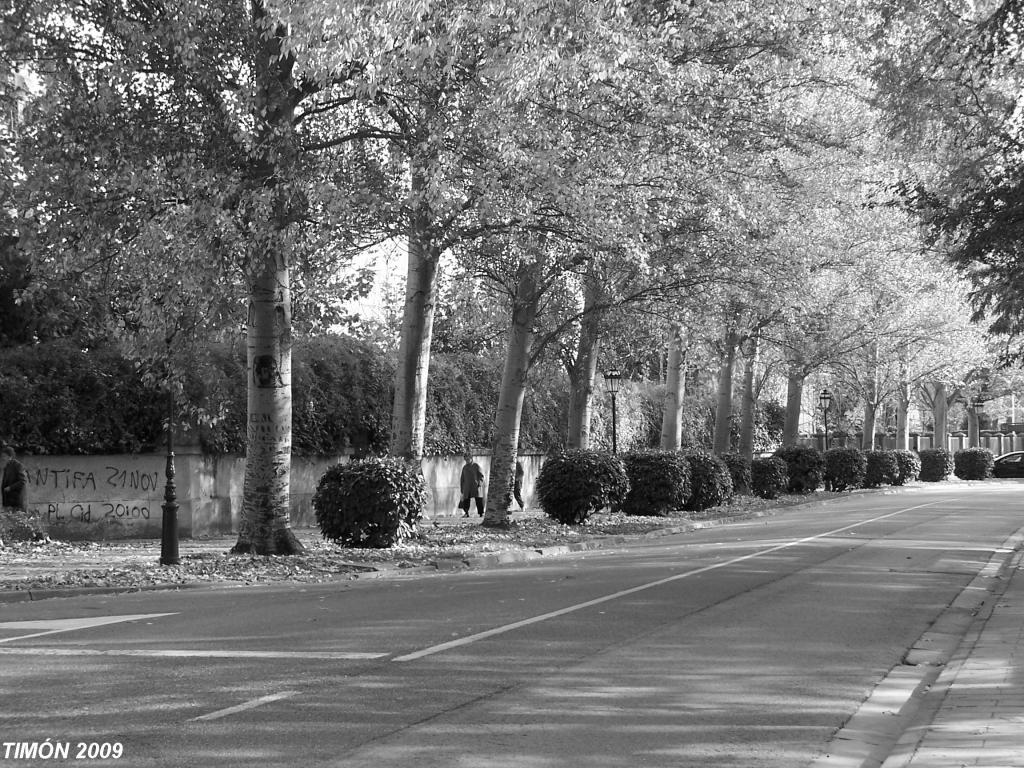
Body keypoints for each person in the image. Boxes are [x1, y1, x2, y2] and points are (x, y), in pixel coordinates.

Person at [0, 445, 28, 512]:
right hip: (8, 500)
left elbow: (23, 481)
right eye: (2, 456)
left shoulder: (18, 465)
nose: (2, 458)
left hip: (16, 501)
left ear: (10, 457)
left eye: (4, 456)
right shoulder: (7, 466)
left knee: (17, 519)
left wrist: (10, 487)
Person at [458, 453, 485, 517]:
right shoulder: (464, 468)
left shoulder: (476, 466)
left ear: (471, 458)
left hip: (476, 486)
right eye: (465, 459)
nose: (467, 461)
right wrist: (462, 489)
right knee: (466, 500)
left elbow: (481, 476)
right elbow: (462, 479)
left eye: (468, 459)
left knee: (479, 500)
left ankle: (481, 513)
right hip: (467, 487)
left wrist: (479, 483)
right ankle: (466, 513)